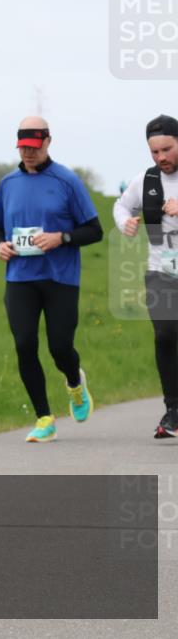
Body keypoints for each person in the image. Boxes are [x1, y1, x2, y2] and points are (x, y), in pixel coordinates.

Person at [0, 116, 103, 442]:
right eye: (23, 147)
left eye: (34, 147)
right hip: (20, 277)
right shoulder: (8, 183)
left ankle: (75, 383)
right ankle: (44, 418)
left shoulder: (67, 181)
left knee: (60, 346)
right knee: (25, 343)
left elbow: (94, 230)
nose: (28, 153)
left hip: (60, 277)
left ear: (48, 142)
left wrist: (61, 238)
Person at [113, 114, 178, 438]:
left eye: (166, 149)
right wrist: (124, 222)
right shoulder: (147, 181)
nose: (161, 157)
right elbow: (121, 206)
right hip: (161, 270)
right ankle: (173, 411)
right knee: (165, 335)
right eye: (155, 152)